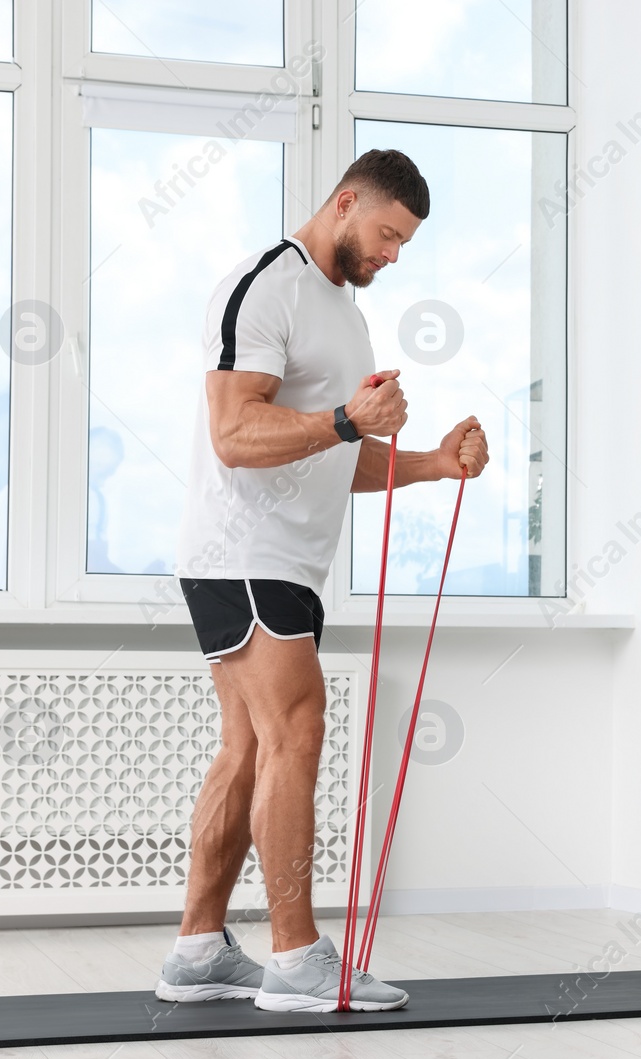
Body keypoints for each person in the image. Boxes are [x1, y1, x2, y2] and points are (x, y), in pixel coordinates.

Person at [155, 149, 488, 1013]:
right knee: (299, 723)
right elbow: (234, 431)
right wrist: (346, 416)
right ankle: (297, 956)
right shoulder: (269, 284)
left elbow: (337, 453)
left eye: (405, 243)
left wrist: (433, 462)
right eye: (386, 234)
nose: (393, 254)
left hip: (290, 564)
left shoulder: (343, 312)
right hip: (243, 550)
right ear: (345, 203)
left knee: (251, 745)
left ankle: (197, 949)